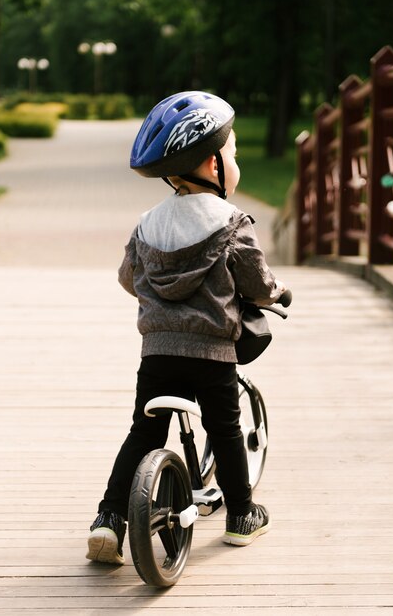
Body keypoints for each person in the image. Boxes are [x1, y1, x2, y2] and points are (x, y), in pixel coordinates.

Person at [86, 91, 286, 565]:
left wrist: (159, 304)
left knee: (143, 432)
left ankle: (109, 521)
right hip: (213, 355)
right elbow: (256, 282)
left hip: (157, 355)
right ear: (212, 164)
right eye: (232, 152)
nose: (236, 161)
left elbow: (128, 278)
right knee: (226, 428)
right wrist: (275, 295)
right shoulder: (231, 221)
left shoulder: (148, 222)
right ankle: (241, 515)